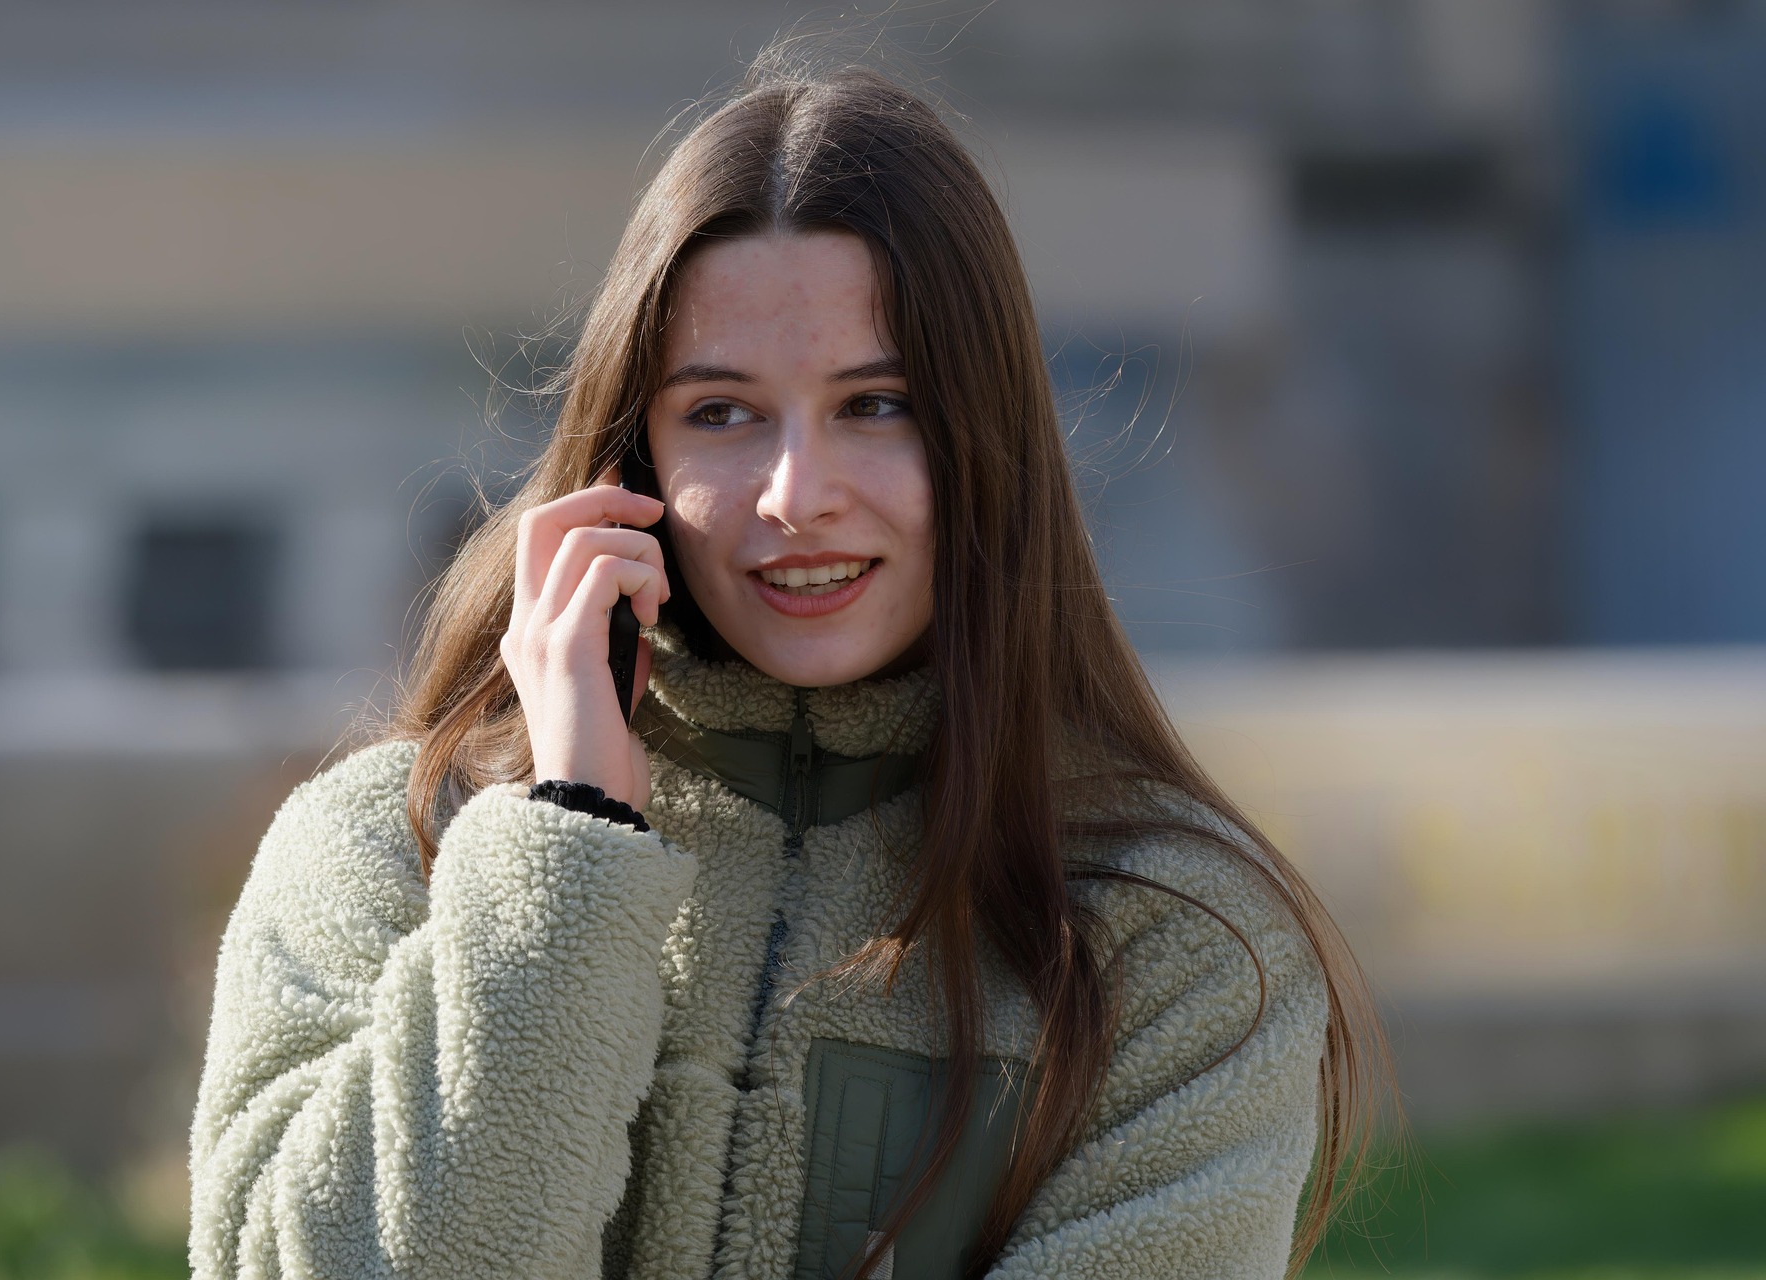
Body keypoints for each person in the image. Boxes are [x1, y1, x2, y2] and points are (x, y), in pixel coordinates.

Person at [189, 57, 1385, 1280]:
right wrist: (567, 844)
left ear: (989, 437)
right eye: (721, 412)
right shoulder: (392, 851)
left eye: (876, 406)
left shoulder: (1172, 939)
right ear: (631, 453)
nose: (796, 496)